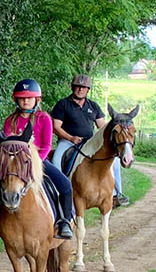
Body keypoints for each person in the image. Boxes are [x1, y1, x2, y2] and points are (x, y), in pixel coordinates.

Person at [0, 79, 74, 239]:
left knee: (65, 184)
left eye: (29, 98)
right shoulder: (10, 120)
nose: (25, 101)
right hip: (15, 164)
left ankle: (64, 221)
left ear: (36, 100)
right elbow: (7, 145)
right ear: (16, 99)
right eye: (22, 98)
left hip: (39, 162)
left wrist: (34, 163)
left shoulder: (44, 118)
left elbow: (46, 145)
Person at [50, 74, 130, 207]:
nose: (80, 90)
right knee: (55, 160)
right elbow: (56, 127)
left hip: (89, 143)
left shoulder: (93, 106)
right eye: (77, 87)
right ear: (73, 87)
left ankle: (117, 195)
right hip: (67, 142)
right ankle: (57, 194)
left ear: (88, 89)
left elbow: (102, 127)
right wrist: (70, 138)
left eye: (84, 87)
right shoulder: (63, 104)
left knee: (114, 161)